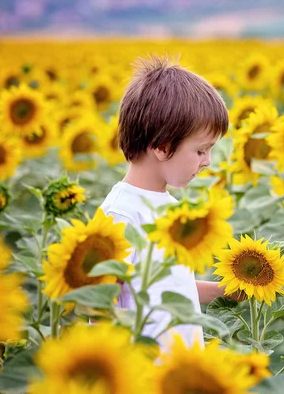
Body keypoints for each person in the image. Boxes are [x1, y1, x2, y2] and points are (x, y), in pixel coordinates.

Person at [100, 55, 237, 349]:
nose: (207, 161)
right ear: (163, 147)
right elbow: (99, 308)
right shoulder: (121, 215)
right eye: (201, 151)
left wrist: (229, 291)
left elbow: (171, 289)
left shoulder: (168, 206)